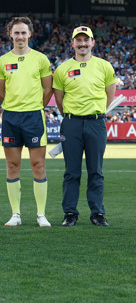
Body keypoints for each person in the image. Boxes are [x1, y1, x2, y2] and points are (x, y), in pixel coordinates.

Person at [52, 26, 117, 227]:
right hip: (71, 123)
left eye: (86, 40)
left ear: (93, 43)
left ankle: (97, 213)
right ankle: (70, 212)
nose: (82, 44)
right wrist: (72, 118)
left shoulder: (104, 66)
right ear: (72, 43)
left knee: (96, 170)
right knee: (72, 171)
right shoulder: (62, 69)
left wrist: (94, 113)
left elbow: (110, 95)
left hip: (96, 123)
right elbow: (59, 100)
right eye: (78, 40)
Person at [0, 17, 53, 227]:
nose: (20, 36)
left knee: (38, 165)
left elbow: (48, 90)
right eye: (16, 33)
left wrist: (36, 106)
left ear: (30, 34)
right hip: (11, 117)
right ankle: (16, 214)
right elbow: (0, 93)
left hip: (34, 116)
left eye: (23, 33)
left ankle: (41, 214)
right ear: (10, 34)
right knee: (13, 165)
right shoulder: (2, 61)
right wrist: (13, 105)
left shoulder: (40, 59)